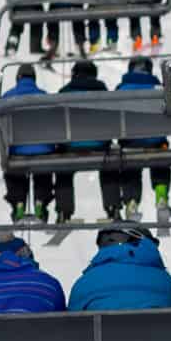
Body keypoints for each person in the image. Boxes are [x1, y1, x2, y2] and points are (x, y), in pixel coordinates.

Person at [99, 55, 171, 221]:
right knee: (161, 152)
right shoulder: (159, 88)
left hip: (130, 142)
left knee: (129, 164)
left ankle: (131, 201)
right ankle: (161, 193)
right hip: (156, 142)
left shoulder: (122, 89)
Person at [0, 63, 60, 224]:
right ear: (34, 78)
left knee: (14, 171)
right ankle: (40, 201)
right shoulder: (44, 96)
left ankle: (18, 202)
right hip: (43, 149)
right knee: (43, 172)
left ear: (18, 78)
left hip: (17, 150)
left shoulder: (7, 97)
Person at [53, 57, 110, 224]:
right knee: (110, 166)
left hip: (71, 145)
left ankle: (64, 211)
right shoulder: (103, 91)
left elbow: (56, 123)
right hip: (99, 146)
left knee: (63, 171)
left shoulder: (64, 92)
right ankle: (113, 207)